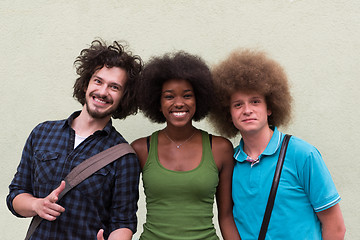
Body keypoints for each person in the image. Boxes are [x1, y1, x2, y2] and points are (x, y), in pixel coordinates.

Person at [6, 40, 142, 240]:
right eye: (98, 81)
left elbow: (123, 222)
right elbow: (16, 195)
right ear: (86, 83)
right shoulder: (42, 133)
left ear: (124, 96)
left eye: (114, 87)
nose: (103, 92)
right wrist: (37, 205)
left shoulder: (124, 157)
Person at [209, 49, 346, 239]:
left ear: (270, 107)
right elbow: (228, 217)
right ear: (229, 114)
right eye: (238, 104)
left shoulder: (302, 154)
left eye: (255, 101)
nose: (247, 110)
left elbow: (335, 226)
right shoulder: (230, 162)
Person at [131, 51, 241, 240]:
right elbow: (122, 212)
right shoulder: (141, 149)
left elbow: (226, 216)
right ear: (158, 103)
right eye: (169, 96)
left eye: (187, 96)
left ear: (198, 100)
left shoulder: (220, 149)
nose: (179, 103)